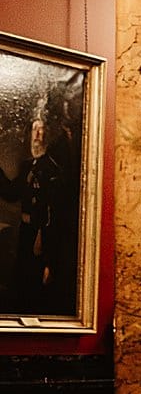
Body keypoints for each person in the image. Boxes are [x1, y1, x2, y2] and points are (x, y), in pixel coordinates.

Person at [0, 96, 77, 317]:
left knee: (40, 286)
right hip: (26, 233)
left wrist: (45, 240)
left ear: (47, 134)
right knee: (21, 282)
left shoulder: (52, 168)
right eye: (34, 129)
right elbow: (12, 194)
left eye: (41, 130)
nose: (37, 134)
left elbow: (55, 210)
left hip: (44, 236)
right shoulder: (27, 166)